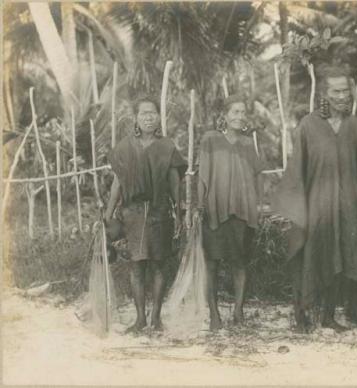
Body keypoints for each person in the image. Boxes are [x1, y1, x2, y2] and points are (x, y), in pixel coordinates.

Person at [272, 64, 357, 333]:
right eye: (336, 91)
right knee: (313, 255)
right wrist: (297, 207)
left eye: (346, 91)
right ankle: (302, 315)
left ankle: (329, 316)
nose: (343, 97)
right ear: (324, 93)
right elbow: (297, 169)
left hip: (347, 206)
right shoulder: (308, 125)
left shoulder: (354, 125)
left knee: (344, 255)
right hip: (317, 206)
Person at [105, 96, 186, 333]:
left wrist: (179, 213)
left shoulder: (167, 147)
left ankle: (156, 318)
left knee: (159, 265)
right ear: (136, 119)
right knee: (137, 265)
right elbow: (117, 185)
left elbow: (174, 185)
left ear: (159, 117)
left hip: (160, 212)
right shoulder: (124, 148)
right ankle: (140, 318)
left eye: (152, 113)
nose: (148, 117)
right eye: (143, 114)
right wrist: (109, 214)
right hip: (133, 213)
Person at [197, 95, 265, 331]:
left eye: (243, 113)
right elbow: (202, 176)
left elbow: (258, 175)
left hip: (242, 210)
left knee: (239, 262)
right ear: (224, 116)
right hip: (215, 209)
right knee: (212, 264)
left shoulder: (247, 144)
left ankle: (238, 311)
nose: (239, 116)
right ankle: (214, 314)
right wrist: (199, 206)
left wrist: (258, 205)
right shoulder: (210, 140)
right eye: (234, 112)